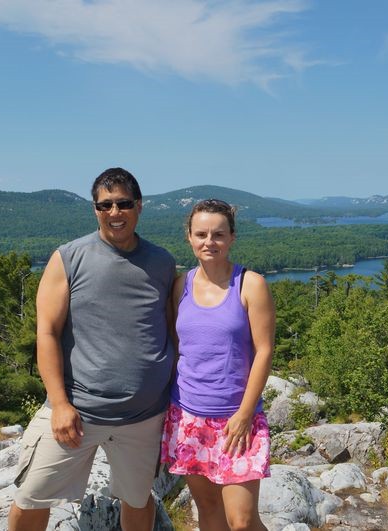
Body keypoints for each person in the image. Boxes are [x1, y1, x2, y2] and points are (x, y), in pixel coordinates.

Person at [7, 168, 176, 531]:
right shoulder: (68, 258)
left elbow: (171, 329)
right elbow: (48, 333)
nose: (115, 212)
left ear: (139, 206)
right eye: (105, 205)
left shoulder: (162, 262)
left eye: (124, 203)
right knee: (31, 498)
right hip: (77, 414)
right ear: (95, 209)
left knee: (137, 498)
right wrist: (60, 404)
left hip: (144, 418)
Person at [161, 198, 275, 531]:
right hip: (188, 415)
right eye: (201, 234)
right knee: (208, 511)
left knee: (241, 520)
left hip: (237, 418)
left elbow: (264, 351)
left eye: (218, 234)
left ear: (232, 237)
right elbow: (178, 346)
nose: (209, 242)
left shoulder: (250, 284)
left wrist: (244, 414)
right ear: (189, 237)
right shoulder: (181, 286)